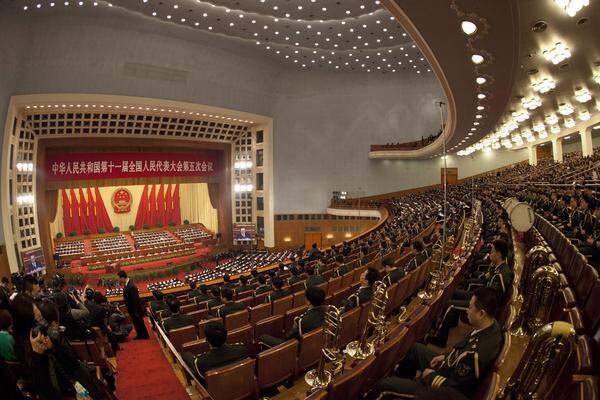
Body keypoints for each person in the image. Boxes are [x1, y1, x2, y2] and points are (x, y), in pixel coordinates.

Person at [369, 287, 502, 399]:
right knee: (416, 349)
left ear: (481, 314)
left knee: (383, 386)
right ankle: (402, 385)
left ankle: (397, 387)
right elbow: (461, 350)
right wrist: (444, 356)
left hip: (442, 391)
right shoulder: (490, 325)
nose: (467, 310)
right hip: (448, 367)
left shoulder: (476, 354)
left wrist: (431, 376)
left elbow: (456, 389)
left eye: (470, 307)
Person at [259, 286, 326, 348]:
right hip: (314, 343)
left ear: (308, 302)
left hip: (293, 347)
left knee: (262, 337)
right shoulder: (326, 311)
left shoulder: (301, 321)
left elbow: (288, 339)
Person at [182, 321, 248, 383]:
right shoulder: (241, 349)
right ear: (226, 336)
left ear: (206, 340)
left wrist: (185, 354)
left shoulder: (201, 362)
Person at [117, 271, 149, 340]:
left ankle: (145, 335)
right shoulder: (127, 284)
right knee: (136, 323)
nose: (118, 280)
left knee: (140, 323)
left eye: (119, 278)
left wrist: (136, 311)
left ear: (122, 278)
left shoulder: (131, 286)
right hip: (132, 309)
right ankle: (140, 335)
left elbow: (135, 300)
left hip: (135, 310)